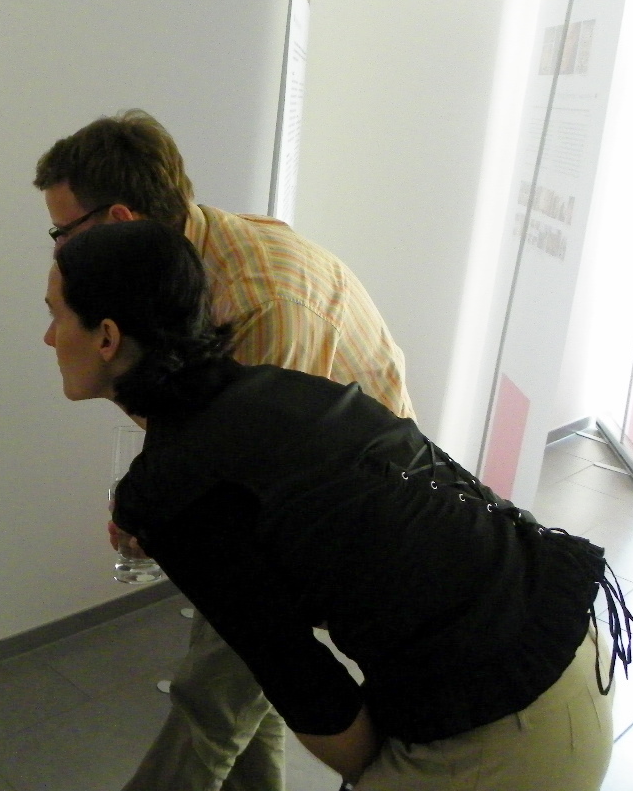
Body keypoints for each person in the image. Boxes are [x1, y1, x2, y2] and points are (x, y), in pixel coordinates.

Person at [43, 220, 633, 791]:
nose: (48, 337)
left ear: (107, 337)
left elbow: (303, 684)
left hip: (512, 723)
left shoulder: (175, 484)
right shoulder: (276, 389)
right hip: (573, 638)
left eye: (56, 315)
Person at [35, 110, 413, 791]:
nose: (57, 252)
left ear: (118, 219)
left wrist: (156, 508)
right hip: (282, 492)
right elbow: (191, 420)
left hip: (344, 513)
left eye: (62, 232)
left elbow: (248, 475)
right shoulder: (176, 261)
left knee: (213, 699)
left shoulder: (258, 301)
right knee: (245, 670)